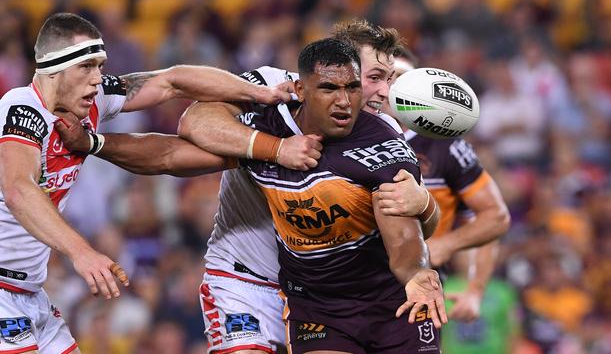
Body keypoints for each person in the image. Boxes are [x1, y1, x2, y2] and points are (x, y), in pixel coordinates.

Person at [57, 19, 440, 354]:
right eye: (373, 78)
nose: (383, 93)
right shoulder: (271, 93)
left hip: (322, 296)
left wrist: (425, 206)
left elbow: (410, 236)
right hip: (246, 279)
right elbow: (191, 128)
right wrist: (276, 149)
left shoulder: (385, 136)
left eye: (388, 81)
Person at [0, 12, 296, 354]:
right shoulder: (22, 109)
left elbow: (173, 81)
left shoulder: (91, 103)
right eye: (87, 66)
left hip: (28, 292)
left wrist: (258, 93)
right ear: (54, 67)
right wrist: (82, 253)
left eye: (100, 66)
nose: (98, 79)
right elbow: (19, 189)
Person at [379, 49, 511, 323]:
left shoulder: (445, 146)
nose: (392, 88)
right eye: (385, 78)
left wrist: (472, 286)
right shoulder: (345, 135)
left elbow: (494, 217)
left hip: (421, 286)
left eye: (401, 78)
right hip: (352, 284)